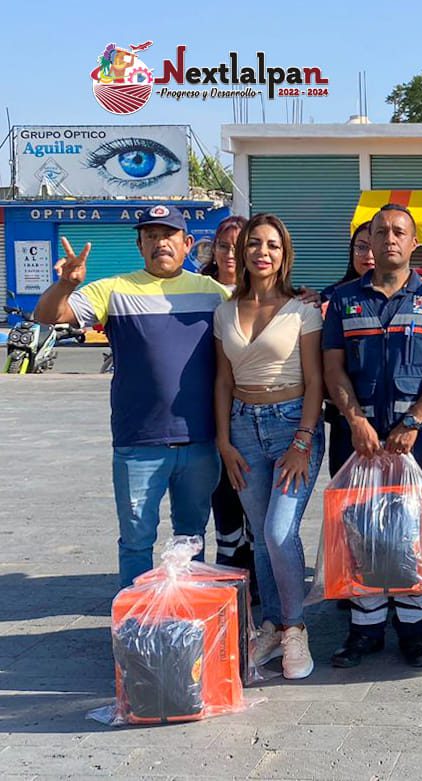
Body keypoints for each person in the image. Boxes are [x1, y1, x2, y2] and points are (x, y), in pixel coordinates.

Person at [35, 206, 229, 587]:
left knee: (191, 539)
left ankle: (186, 622)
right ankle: (138, 627)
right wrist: (66, 285)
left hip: (201, 441)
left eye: (168, 234)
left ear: (187, 243)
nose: (160, 243)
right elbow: (47, 316)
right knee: (137, 541)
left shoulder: (212, 293)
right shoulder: (114, 290)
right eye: (151, 236)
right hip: (138, 442)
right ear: (140, 245)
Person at [322, 204, 422, 669]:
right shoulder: (343, 299)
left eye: (400, 232)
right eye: (381, 232)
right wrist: (355, 419)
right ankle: (364, 630)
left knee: (416, 532)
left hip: (417, 442)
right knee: (361, 532)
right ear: (370, 243)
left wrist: (415, 421)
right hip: (356, 439)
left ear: (414, 242)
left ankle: (414, 630)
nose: (390, 240)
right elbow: (332, 368)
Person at [213, 213, 324, 679]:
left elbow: (317, 380)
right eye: (255, 243)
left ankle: (295, 628)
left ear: (284, 254)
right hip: (242, 428)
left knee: (281, 531)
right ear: (242, 252)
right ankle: (272, 626)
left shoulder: (304, 310)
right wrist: (223, 440)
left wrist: (302, 440)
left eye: (273, 245)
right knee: (261, 537)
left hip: (290, 426)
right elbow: (222, 380)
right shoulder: (224, 310)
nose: (263, 251)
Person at [200, 216, 257, 592]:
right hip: (208, 414)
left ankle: (257, 581)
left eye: (241, 246)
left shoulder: (271, 296)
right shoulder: (198, 293)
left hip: (257, 416)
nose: (231, 254)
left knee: (255, 504)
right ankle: (227, 582)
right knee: (223, 500)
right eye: (224, 245)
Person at [321, 225, 376, 477]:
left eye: (373, 246)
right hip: (345, 413)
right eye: (361, 247)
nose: (368, 254)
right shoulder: (333, 296)